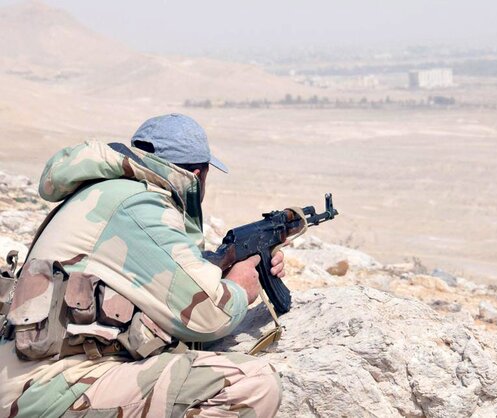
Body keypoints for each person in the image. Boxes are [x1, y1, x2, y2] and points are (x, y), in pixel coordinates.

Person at [0, 114, 284, 417]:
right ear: (199, 175)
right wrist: (240, 287)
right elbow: (210, 315)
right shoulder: (139, 204)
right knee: (253, 383)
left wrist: (219, 271)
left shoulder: (108, 192)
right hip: (48, 388)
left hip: (36, 381)